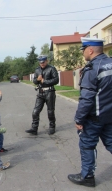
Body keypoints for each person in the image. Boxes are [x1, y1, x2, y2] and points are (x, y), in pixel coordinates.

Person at [67, 38, 112, 187]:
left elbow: (87, 99)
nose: (83, 53)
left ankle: (87, 176)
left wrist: (79, 119)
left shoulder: (93, 68)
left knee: (87, 145)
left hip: (95, 117)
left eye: (84, 49)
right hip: (110, 116)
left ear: (90, 50)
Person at [25, 55, 59, 135]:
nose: (42, 64)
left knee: (50, 111)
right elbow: (34, 81)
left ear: (46, 61)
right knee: (35, 111)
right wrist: (37, 80)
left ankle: (52, 127)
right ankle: (34, 128)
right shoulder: (37, 70)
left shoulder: (51, 69)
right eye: (40, 62)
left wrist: (44, 81)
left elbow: (56, 80)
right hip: (40, 92)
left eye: (43, 62)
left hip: (49, 92)